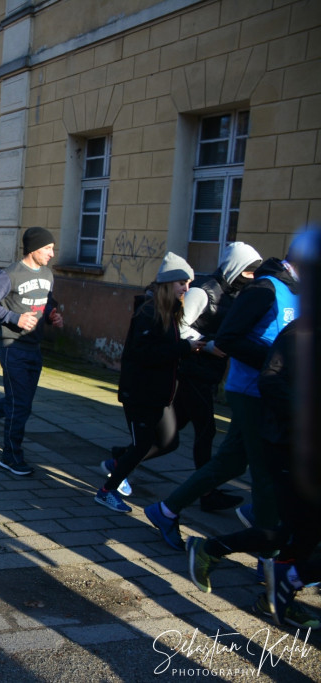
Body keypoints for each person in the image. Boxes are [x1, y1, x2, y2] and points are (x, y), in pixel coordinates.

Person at [144, 241, 302, 550]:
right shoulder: (265, 289)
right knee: (266, 473)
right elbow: (229, 338)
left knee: (230, 464)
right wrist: (278, 362)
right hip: (252, 392)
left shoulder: (294, 292)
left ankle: (165, 510)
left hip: (267, 392)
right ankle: (268, 557)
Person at [185, 320, 321, 628]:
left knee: (305, 532)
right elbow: (270, 380)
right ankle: (209, 549)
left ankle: (276, 599)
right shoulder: (303, 331)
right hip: (286, 442)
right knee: (294, 528)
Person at [94, 254, 203, 513]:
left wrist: (186, 347)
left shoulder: (171, 311)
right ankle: (107, 491)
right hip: (140, 393)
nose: (186, 289)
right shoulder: (148, 312)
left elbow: (165, 350)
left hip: (160, 394)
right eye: (181, 283)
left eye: (188, 283)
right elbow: (143, 354)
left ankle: (118, 461)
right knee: (142, 444)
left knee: (169, 441)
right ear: (167, 284)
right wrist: (184, 348)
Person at [0, 227, 64, 477]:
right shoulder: (10, 274)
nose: (52, 254)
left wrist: (52, 315)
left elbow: (47, 301)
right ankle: (10, 456)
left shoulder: (48, 274)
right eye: (48, 249)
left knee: (21, 402)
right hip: (13, 347)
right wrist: (14, 319)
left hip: (35, 347)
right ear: (33, 249)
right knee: (19, 405)